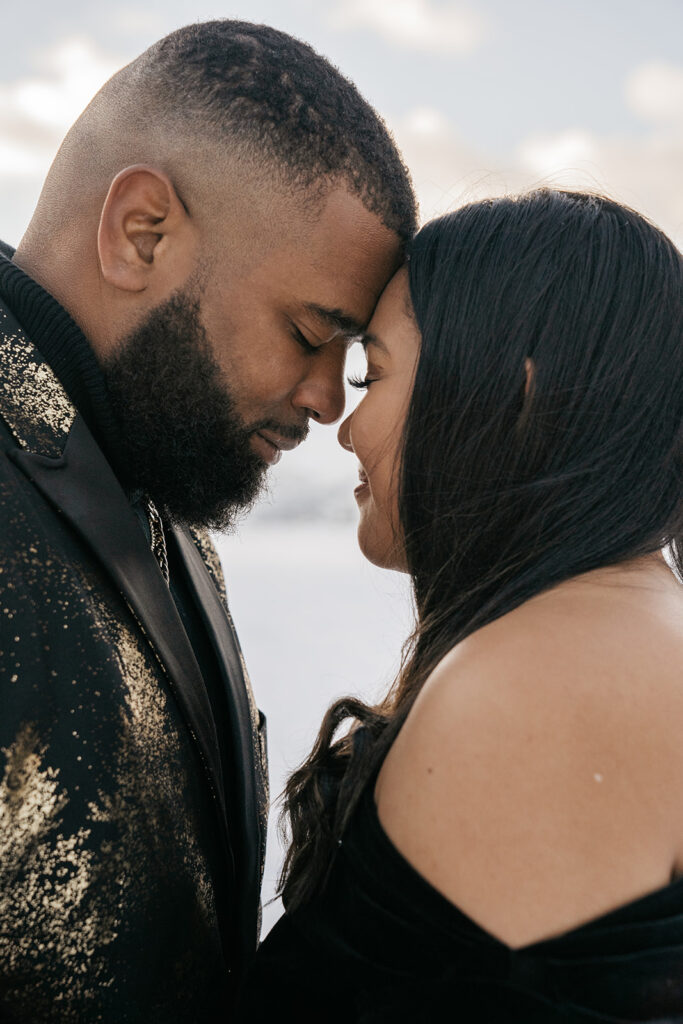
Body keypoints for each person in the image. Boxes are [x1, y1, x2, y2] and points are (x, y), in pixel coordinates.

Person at [0, 19, 416, 1023]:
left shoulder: (158, 488)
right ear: (142, 230)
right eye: (309, 335)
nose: (327, 403)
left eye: (354, 359)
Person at [240, 189, 683, 1022]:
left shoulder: (544, 687)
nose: (343, 422)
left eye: (373, 371)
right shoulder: (626, 625)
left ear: (515, 395)